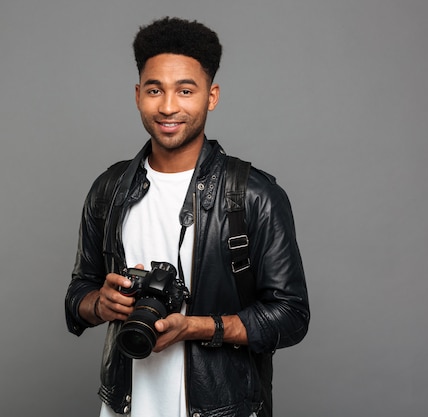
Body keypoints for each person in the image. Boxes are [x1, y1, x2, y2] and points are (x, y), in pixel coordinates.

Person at [65, 17, 309, 417]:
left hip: (223, 408)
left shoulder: (253, 195)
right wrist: (100, 303)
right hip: (124, 405)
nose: (168, 106)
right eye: (154, 89)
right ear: (137, 94)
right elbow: (78, 293)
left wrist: (197, 326)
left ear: (211, 96)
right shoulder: (109, 190)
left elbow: (292, 316)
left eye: (185, 90)